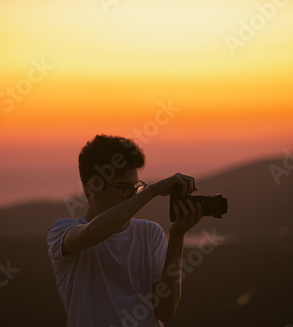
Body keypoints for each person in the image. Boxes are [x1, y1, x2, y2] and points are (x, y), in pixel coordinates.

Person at [47, 134, 206, 327]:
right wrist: (152, 191)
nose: (132, 194)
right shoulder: (62, 231)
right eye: (124, 188)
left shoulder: (150, 233)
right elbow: (92, 235)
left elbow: (165, 312)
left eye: (135, 187)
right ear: (94, 185)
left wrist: (177, 236)